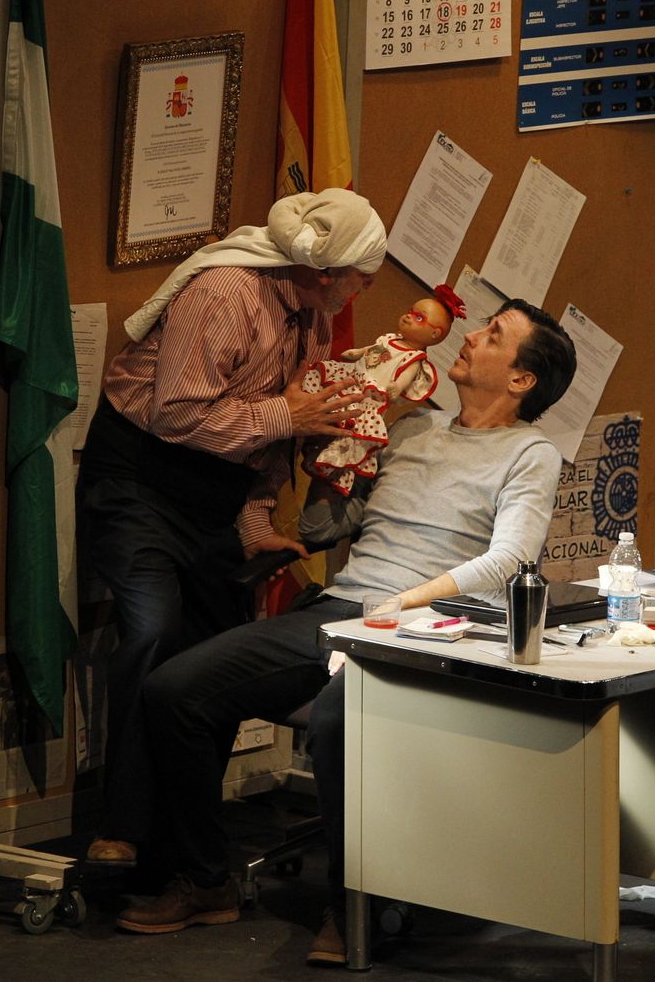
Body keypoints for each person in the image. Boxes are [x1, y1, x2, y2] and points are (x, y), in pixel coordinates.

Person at [108, 299, 578, 966]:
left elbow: (510, 560)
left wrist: (408, 600)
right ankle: (205, 878)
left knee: (338, 721)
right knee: (174, 689)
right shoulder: (412, 427)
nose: (471, 336)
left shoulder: (530, 453)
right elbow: (329, 529)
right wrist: (329, 465)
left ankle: (355, 902)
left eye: (493, 335)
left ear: (522, 379)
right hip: (343, 610)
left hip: (428, 629)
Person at [80, 189, 387, 865]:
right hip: (143, 477)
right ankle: (123, 827)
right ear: (325, 272)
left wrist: (253, 516)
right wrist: (288, 417)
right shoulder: (226, 292)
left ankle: (187, 836)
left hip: (216, 492)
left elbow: (277, 428)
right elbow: (179, 414)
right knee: (155, 629)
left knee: (211, 657)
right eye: (362, 274)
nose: (367, 288)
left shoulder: (310, 315)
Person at [301, 284, 466, 495]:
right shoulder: (389, 339)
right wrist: (358, 352)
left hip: (370, 397)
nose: (408, 316)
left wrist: (397, 386)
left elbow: (405, 376)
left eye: (419, 318)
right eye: (411, 311)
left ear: (434, 333)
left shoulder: (413, 358)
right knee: (326, 398)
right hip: (354, 378)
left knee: (349, 431)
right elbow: (374, 351)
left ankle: (330, 462)